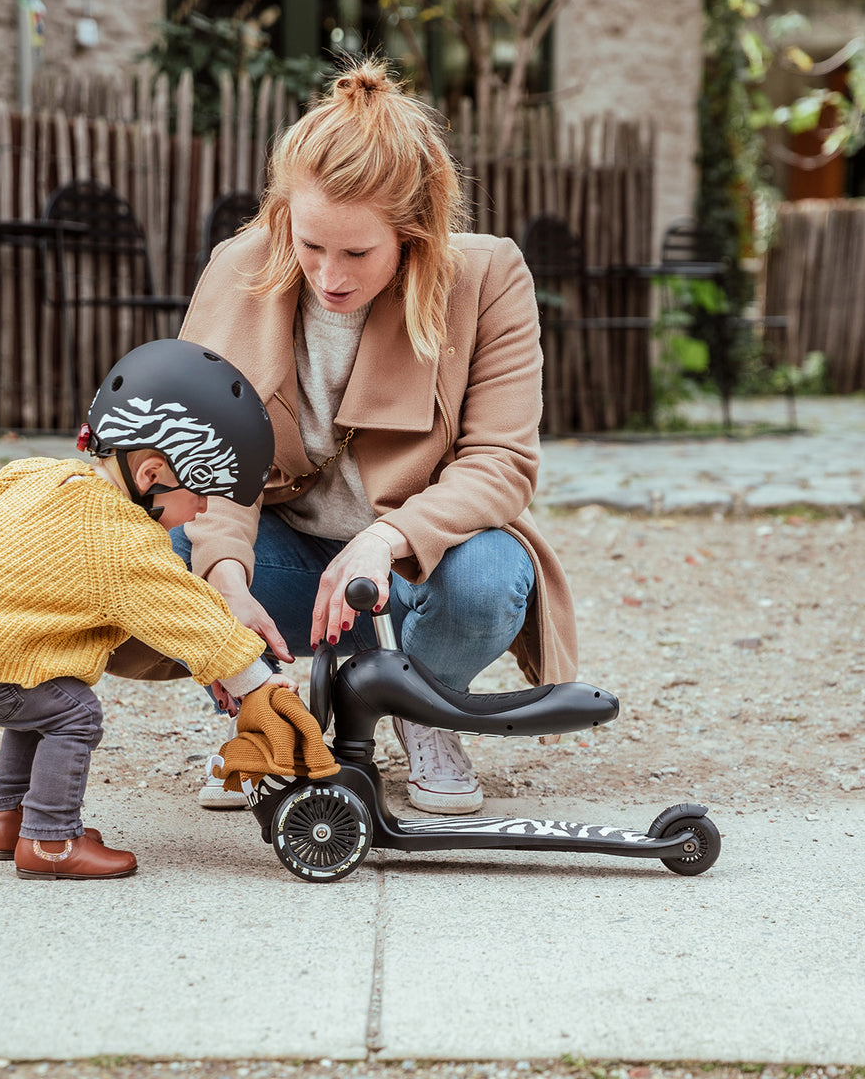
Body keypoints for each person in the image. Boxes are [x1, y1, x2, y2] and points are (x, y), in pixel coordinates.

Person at [175, 58, 579, 815]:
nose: (328, 276)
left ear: (414, 232)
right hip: (288, 552)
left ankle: (422, 707)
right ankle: (261, 717)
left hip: (421, 557)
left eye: (357, 253)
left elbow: (502, 464)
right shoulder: (239, 271)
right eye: (310, 244)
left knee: (490, 578)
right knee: (169, 550)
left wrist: (388, 539)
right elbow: (204, 461)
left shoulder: (485, 279)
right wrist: (225, 585)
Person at [0, 340, 296, 880]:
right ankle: (51, 842)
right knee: (74, 712)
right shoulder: (120, 538)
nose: (203, 510)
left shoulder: (38, 474)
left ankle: (12, 823)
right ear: (152, 474)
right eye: (202, 493)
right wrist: (255, 681)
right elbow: (185, 615)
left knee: (42, 690)